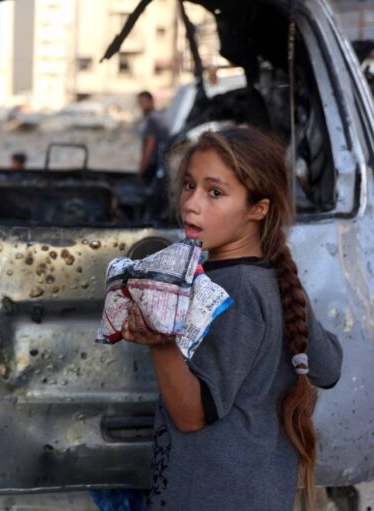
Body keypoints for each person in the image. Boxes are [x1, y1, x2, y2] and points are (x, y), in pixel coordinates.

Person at [119, 126, 342, 510]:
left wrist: (161, 345)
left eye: (215, 193)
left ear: (258, 208)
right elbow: (329, 367)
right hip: (259, 491)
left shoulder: (229, 289)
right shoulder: (273, 278)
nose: (191, 203)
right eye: (189, 185)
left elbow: (191, 416)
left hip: (214, 494)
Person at [136, 91, 169, 186]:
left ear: (151, 101)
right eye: (140, 102)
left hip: (153, 162)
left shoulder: (152, 119)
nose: (142, 105)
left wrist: (142, 167)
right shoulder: (158, 115)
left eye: (144, 102)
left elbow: (150, 144)